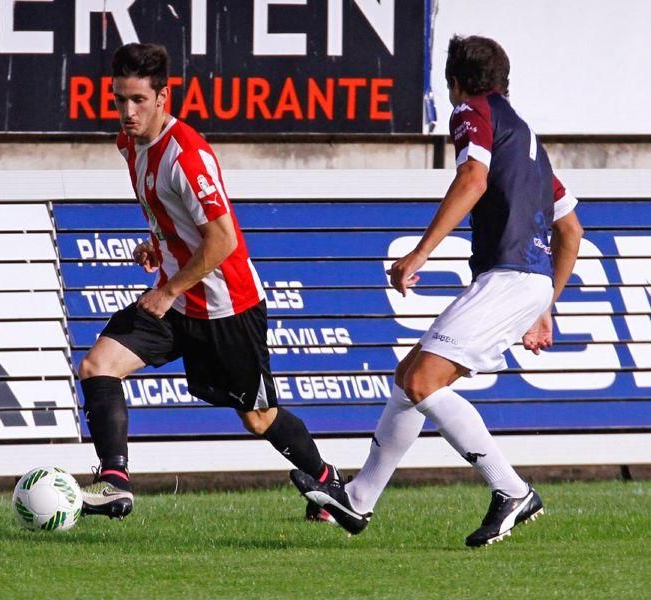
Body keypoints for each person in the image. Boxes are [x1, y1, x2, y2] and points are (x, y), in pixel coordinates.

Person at [292, 35, 584, 547]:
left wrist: (419, 253)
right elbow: (571, 231)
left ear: (453, 82)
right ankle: (357, 501)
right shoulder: (527, 137)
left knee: (424, 382)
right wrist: (545, 304)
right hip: (523, 281)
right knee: (409, 379)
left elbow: (472, 179)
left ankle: (511, 491)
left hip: (510, 277)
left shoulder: (472, 111)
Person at [78, 42, 340, 522]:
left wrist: (170, 285)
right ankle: (114, 481)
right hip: (176, 306)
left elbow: (223, 240)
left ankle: (327, 483)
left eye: (138, 100)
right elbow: (170, 213)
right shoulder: (129, 143)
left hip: (226, 307)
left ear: (163, 98)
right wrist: (158, 245)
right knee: (98, 366)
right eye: (119, 99)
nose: (127, 111)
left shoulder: (188, 156)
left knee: (258, 418)